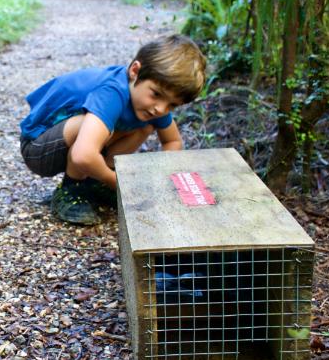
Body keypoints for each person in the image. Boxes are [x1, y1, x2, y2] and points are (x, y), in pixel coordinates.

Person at [19, 34, 207, 225]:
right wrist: (116, 181)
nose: (161, 108)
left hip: (72, 147)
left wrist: (160, 176)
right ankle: (71, 190)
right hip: (38, 149)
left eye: (172, 105)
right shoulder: (112, 93)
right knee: (89, 125)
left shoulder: (154, 106)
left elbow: (172, 141)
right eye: (156, 94)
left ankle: (94, 183)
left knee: (148, 124)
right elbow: (83, 155)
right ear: (135, 71)